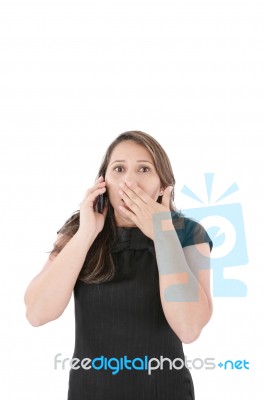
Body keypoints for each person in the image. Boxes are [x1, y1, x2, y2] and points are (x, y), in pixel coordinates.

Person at [24, 130, 213, 400]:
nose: (129, 181)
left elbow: (189, 328)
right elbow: (37, 313)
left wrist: (163, 235)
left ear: (162, 186)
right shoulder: (79, 231)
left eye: (144, 169)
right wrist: (87, 233)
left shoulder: (188, 234)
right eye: (119, 169)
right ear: (103, 182)